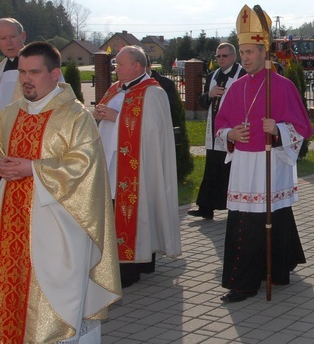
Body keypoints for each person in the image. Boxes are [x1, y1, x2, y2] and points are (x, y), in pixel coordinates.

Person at [0, 42, 121, 343]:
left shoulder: (75, 116)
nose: (26, 78)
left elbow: (85, 166)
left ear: (55, 74)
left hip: (58, 227)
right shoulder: (10, 113)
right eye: (23, 72)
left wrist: (33, 168)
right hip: (11, 225)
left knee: (58, 305)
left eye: (35, 72)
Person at [213, 5, 313, 302]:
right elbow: (221, 124)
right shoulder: (236, 87)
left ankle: (275, 270)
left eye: (250, 52)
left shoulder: (281, 86)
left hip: (272, 162)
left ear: (264, 51)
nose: (244, 58)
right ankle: (244, 281)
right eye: (241, 52)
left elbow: (303, 128)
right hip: (244, 164)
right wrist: (230, 134)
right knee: (245, 218)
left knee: (271, 216)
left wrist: (279, 128)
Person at [95, 45, 181, 288]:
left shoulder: (153, 93)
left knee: (140, 211)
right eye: (116, 64)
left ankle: (132, 268)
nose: (116, 68)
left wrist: (116, 117)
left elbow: (153, 132)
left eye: (120, 64)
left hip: (140, 167)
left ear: (137, 66)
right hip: (112, 163)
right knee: (115, 211)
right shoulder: (115, 88)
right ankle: (122, 261)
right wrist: (99, 114)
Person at [188, 43, 246, 220]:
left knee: (233, 171)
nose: (221, 59)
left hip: (234, 130)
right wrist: (210, 94)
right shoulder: (212, 76)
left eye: (225, 56)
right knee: (212, 169)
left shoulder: (242, 75)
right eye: (218, 56)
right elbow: (202, 102)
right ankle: (206, 207)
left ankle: (236, 208)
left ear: (234, 56)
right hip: (214, 131)